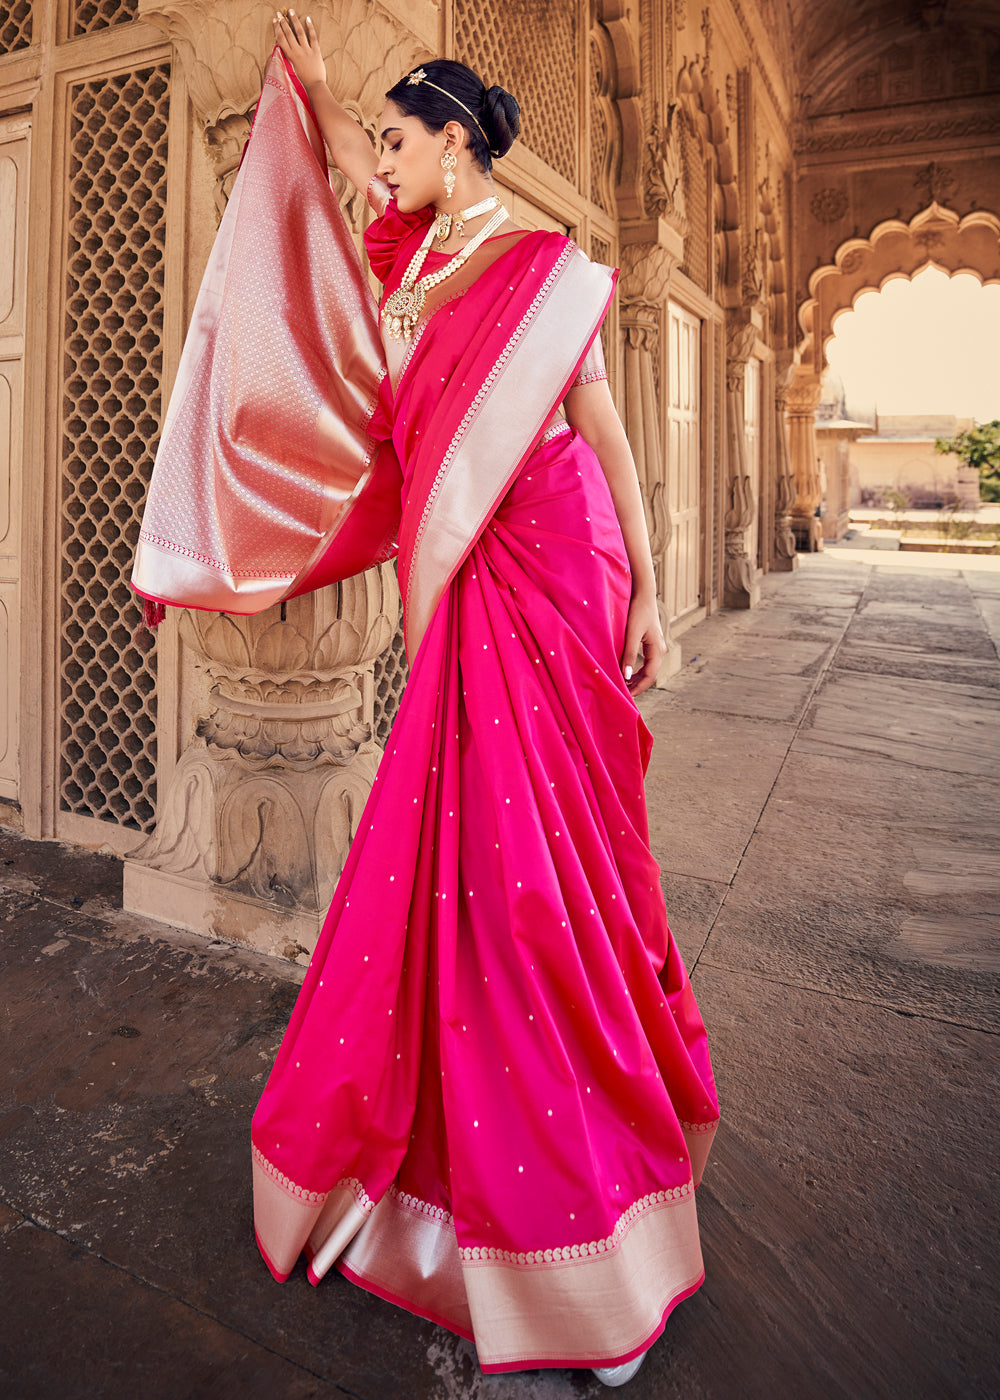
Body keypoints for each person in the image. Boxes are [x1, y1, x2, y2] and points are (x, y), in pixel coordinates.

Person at [140, 10, 719, 1386]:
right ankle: (460, 1202)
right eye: (383, 147)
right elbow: (344, 159)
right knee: (463, 873)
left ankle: (590, 1234)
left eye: (403, 144)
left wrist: (646, 588)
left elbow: (603, 430)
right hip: (467, 598)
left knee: (545, 881)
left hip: (558, 569)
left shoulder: (538, 268)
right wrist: (328, 93)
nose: (377, 167)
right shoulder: (415, 261)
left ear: (457, 142)